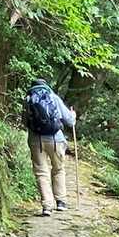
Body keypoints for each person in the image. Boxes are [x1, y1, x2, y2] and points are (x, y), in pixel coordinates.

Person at [23, 78, 77, 216]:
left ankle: (47, 206)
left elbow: (25, 122)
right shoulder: (54, 97)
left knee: (41, 172)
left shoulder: (28, 99)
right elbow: (70, 121)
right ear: (46, 86)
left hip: (36, 140)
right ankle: (61, 202)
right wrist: (73, 115)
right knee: (58, 169)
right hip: (55, 139)